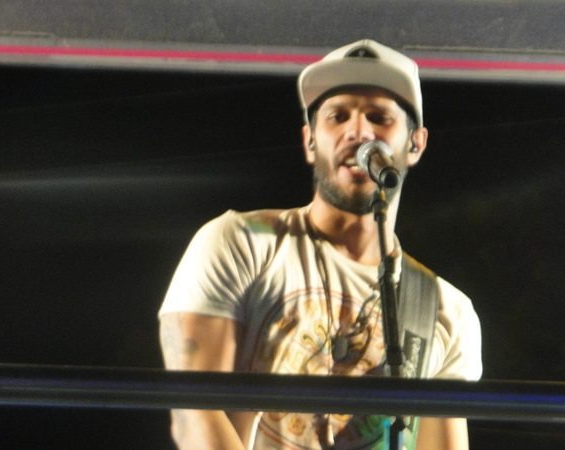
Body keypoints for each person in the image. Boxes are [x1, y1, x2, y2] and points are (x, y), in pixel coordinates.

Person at [158, 39, 482, 450]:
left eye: (379, 117)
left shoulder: (446, 309)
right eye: (338, 116)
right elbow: (194, 415)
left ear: (415, 143)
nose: (358, 132)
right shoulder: (242, 242)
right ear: (310, 140)